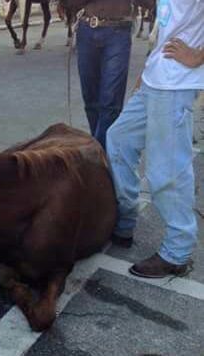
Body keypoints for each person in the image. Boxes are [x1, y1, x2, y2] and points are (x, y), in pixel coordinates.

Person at [107, 0, 203, 278]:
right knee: (119, 139)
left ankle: (177, 251)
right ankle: (124, 219)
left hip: (176, 83)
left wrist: (198, 56)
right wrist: (147, 69)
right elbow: (166, 27)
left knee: (168, 168)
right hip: (156, 78)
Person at [64, 0, 135, 148]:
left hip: (118, 32)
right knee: (90, 100)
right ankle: (102, 155)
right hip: (86, 30)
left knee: (110, 103)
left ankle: (97, 154)